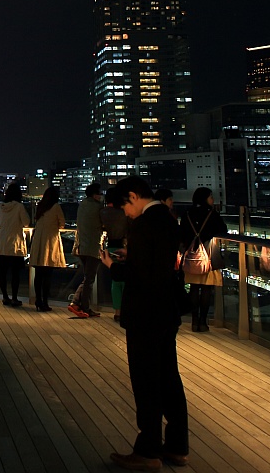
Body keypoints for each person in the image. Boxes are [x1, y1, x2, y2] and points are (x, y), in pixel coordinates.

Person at [99, 176, 189, 470]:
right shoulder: (166, 217)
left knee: (146, 381)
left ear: (134, 197)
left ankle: (148, 451)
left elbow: (140, 276)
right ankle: (177, 447)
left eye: (124, 206)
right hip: (166, 311)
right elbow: (158, 264)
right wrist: (133, 255)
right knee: (169, 379)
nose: (124, 213)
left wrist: (115, 266)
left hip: (145, 314)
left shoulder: (143, 225)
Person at [179, 187, 228, 332]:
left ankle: (194, 321)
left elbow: (182, 233)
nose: (212, 200)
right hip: (208, 256)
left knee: (194, 288)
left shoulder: (187, 213)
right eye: (211, 197)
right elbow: (222, 230)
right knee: (206, 289)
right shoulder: (212, 214)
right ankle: (203, 322)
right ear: (205, 198)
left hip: (192, 256)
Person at [28, 186, 66, 312]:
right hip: (50, 242)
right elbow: (62, 223)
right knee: (48, 274)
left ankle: (37, 300)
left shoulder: (40, 207)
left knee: (38, 274)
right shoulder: (56, 207)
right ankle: (45, 301)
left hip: (38, 241)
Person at [70, 181, 104, 317]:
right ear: (95, 195)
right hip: (93, 246)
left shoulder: (82, 205)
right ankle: (80, 305)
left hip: (81, 246)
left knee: (87, 277)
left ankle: (79, 304)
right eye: (100, 193)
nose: (101, 196)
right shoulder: (98, 207)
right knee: (89, 279)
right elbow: (103, 223)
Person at [0, 181, 29, 306]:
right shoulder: (19, 207)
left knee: (2, 272)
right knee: (15, 274)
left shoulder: (1, 206)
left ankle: (5, 296)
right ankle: (14, 298)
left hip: (3, 242)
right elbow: (26, 222)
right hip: (15, 244)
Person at [101, 185, 130, 320]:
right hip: (123, 247)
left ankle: (117, 311)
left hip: (110, 247)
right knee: (125, 281)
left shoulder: (103, 212)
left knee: (115, 282)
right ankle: (125, 310)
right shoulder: (123, 213)